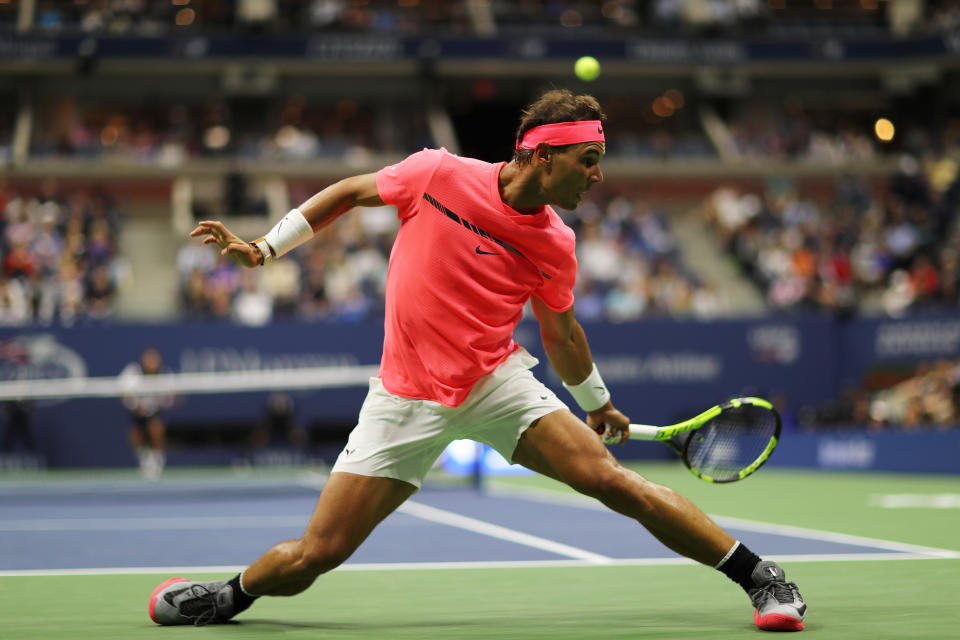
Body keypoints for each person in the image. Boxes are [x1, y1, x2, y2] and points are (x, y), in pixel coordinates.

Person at [149, 90, 807, 632]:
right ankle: (228, 596)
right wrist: (265, 248)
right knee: (316, 555)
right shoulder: (437, 174)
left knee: (615, 483)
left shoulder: (555, 242)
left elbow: (562, 332)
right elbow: (351, 191)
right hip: (405, 398)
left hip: (495, 383)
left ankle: (760, 578)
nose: (598, 175)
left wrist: (597, 403)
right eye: (588, 159)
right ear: (542, 156)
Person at [121, 347, 174, 480]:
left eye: (154, 360)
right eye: (148, 359)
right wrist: (136, 406)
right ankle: (143, 459)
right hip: (136, 412)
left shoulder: (164, 374)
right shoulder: (133, 372)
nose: (151, 363)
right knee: (135, 434)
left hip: (155, 412)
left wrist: (159, 403)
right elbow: (123, 393)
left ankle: (157, 460)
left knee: (156, 428)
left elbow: (171, 397)